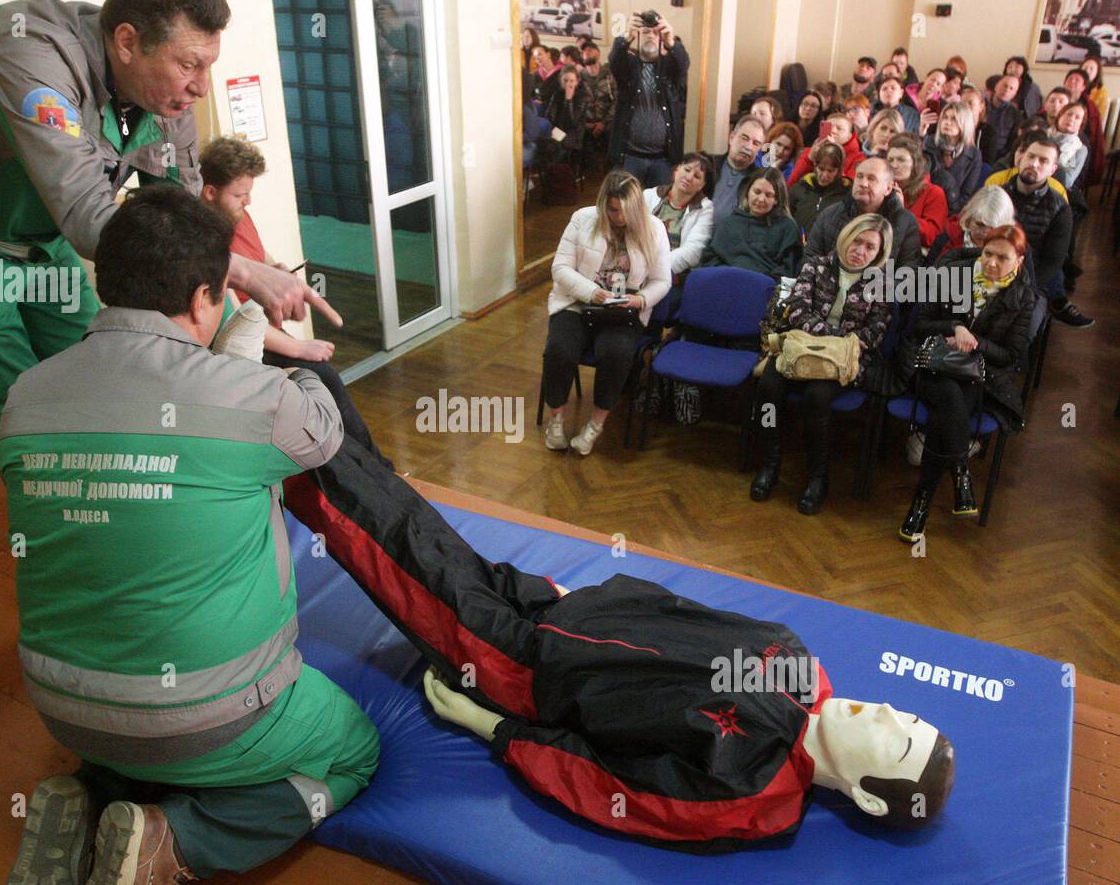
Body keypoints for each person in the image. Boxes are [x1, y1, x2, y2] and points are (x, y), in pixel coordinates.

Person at [281, 434, 955, 850]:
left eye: (898, 740)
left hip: (524, 669)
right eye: (910, 715)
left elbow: (609, 788)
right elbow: (686, 614)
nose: (889, 714)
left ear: (867, 795)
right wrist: (593, 598)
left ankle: (287, 455)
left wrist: (497, 728)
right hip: (562, 609)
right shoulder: (803, 671)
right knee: (421, 526)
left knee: (393, 547)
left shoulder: (751, 792)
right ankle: (315, 409)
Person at [1, 185, 379, 885]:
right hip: (215, 718)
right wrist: (283, 364)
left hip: (61, 707)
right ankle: (177, 841)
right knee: (352, 756)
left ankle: (83, 804)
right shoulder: (254, 401)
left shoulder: (25, 395)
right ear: (208, 295)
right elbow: (322, 428)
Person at [0, 0, 314, 466]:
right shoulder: (29, 52)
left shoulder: (166, 100)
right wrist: (244, 270)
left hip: (37, 238)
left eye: (208, 65)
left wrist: (243, 310)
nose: (202, 87)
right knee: (21, 418)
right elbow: (89, 219)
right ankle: (72, 528)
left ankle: (128, 511)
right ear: (125, 41)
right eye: (189, 65)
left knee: (105, 370)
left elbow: (186, 230)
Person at [198, 136, 389, 466]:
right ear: (210, 192)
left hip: (263, 328)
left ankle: (375, 467)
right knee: (319, 379)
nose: (248, 201)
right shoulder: (203, 240)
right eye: (240, 194)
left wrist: (275, 270)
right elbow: (232, 319)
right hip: (242, 344)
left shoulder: (237, 215)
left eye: (249, 193)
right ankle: (370, 469)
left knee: (324, 380)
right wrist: (299, 348)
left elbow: (257, 256)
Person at [897, 226, 1035, 543]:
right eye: (988, 253)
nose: (992, 263)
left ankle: (922, 504)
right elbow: (920, 326)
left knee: (945, 414)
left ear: (1019, 261)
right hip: (930, 364)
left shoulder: (1022, 297)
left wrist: (975, 343)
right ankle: (960, 471)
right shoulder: (955, 274)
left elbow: (1012, 356)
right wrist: (954, 326)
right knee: (948, 397)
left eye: (1003, 258)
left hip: (977, 373)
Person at [750, 214, 895, 514]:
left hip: (845, 361)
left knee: (817, 396)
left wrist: (831, 340)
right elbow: (797, 312)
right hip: (800, 350)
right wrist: (837, 336)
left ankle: (818, 475)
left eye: (870, 247)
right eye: (857, 241)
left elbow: (875, 333)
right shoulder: (816, 265)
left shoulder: (882, 283)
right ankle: (770, 462)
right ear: (846, 237)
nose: (861, 250)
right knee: (768, 388)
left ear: (879, 254)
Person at [542, 170, 671, 455]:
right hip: (577, 303)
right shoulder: (582, 218)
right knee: (559, 350)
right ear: (603, 205)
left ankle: (595, 426)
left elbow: (662, 281)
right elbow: (560, 268)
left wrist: (639, 301)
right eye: (613, 210)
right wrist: (591, 292)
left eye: (626, 211)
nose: (619, 217)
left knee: (615, 353)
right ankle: (557, 421)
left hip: (623, 311)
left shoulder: (654, 228)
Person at [999, 132, 1092, 328]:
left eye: (1043, 161)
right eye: (1031, 156)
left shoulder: (1060, 209)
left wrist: (1022, 290)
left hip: (1031, 281)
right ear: (1020, 158)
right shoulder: (998, 194)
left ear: (1053, 170)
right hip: (989, 270)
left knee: (1025, 327)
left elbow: (1052, 262)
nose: (1034, 164)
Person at [606, 12, 690, 188]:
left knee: (658, 209)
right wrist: (625, 38)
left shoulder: (669, 68)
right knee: (625, 207)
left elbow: (683, 64)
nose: (651, 35)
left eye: (655, 32)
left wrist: (671, 40)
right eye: (645, 32)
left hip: (662, 159)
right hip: (629, 156)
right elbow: (614, 61)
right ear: (638, 36)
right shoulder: (628, 65)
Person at [805, 156, 923, 268]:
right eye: (859, 176)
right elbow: (810, 260)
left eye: (871, 178)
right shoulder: (830, 214)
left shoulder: (905, 223)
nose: (863, 183)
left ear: (888, 188)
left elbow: (908, 273)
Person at [700, 168, 803, 279]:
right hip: (724, 283)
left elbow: (788, 269)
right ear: (748, 192)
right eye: (757, 192)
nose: (761, 199)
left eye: (768, 195)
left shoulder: (788, 228)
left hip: (765, 290)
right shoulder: (729, 223)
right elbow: (709, 258)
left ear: (776, 200)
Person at [644, 154, 715, 281]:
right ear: (676, 170)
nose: (689, 177)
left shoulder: (705, 209)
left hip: (671, 275)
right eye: (687, 170)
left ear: (702, 185)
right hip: (637, 265)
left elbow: (693, 251)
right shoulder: (649, 195)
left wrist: (655, 269)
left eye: (697, 176)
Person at [886, 133, 949, 250]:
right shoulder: (883, 188)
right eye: (890, 160)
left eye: (901, 160)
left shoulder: (934, 193)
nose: (894, 165)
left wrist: (901, 212)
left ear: (915, 163)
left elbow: (931, 237)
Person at [925, 183, 1016, 262]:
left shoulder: (1016, 247)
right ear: (969, 219)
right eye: (980, 224)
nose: (985, 232)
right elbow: (926, 276)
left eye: (992, 228)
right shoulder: (947, 237)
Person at [924, 100, 984, 212]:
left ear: (964, 123)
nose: (947, 122)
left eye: (954, 119)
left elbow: (966, 195)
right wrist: (921, 135)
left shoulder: (974, 155)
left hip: (953, 212)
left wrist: (950, 211)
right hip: (926, 206)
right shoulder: (928, 143)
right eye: (945, 117)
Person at [788, 140, 851, 237]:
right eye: (821, 168)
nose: (824, 175)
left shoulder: (847, 194)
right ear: (815, 166)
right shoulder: (800, 188)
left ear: (839, 171)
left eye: (830, 171)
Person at [710, 114, 765, 219]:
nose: (748, 147)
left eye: (756, 143)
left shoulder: (759, 179)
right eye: (744, 138)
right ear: (731, 138)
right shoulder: (709, 165)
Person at [786, 111, 864, 183]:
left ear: (849, 136)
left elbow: (850, 187)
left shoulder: (858, 158)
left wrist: (836, 152)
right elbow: (793, 183)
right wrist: (809, 159)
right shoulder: (810, 152)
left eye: (839, 128)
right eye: (829, 127)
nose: (833, 131)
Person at [1063, 67, 1106, 188]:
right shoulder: (1058, 98)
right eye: (1070, 79)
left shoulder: (1090, 107)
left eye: (1077, 80)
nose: (1072, 82)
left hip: (1077, 143)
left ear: (1084, 87)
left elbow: (1092, 134)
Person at [579, 41, 617, 160]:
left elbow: (617, 100)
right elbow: (575, 104)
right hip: (586, 121)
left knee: (614, 133)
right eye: (584, 51)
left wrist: (603, 122)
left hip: (607, 121)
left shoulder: (610, 75)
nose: (587, 52)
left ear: (599, 54)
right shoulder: (577, 77)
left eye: (590, 49)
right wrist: (586, 123)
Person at [1050, 102, 1091, 190]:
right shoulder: (1043, 135)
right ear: (1059, 116)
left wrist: (1047, 164)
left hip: (1056, 189)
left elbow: (1067, 181)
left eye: (1077, 117)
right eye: (1069, 114)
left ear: (1081, 125)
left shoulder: (1079, 149)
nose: (1072, 119)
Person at [985, 75, 1024, 162]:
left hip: (1000, 157)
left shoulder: (1016, 115)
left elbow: (1013, 143)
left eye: (1011, 88)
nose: (1007, 90)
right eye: (1005, 85)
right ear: (996, 86)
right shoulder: (982, 106)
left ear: (1014, 94)